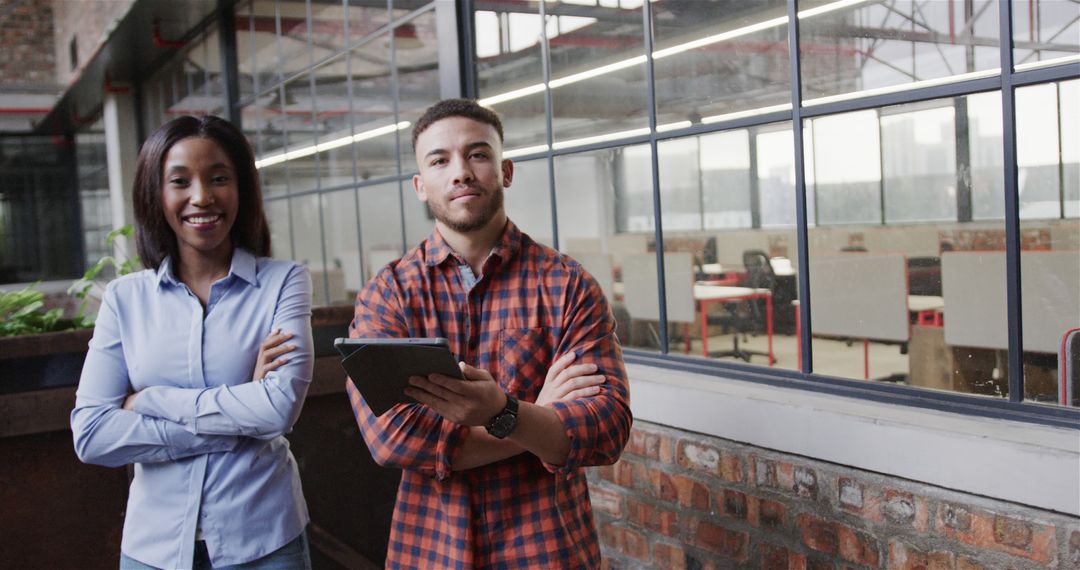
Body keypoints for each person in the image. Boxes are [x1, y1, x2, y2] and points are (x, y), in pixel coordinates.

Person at [347, 99, 632, 568]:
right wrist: (531, 417)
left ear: (506, 171)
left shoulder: (567, 285)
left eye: (478, 154)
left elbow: (605, 429)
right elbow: (393, 438)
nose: (460, 172)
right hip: (431, 551)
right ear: (421, 186)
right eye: (440, 160)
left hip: (546, 550)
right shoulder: (389, 294)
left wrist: (501, 412)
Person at [71, 115, 314, 569]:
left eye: (219, 178)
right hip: (154, 547)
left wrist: (150, 400)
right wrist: (239, 417)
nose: (202, 196)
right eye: (180, 181)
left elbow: (278, 409)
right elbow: (91, 435)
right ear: (155, 195)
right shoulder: (125, 298)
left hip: (264, 537)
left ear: (241, 188)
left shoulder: (284, 283)